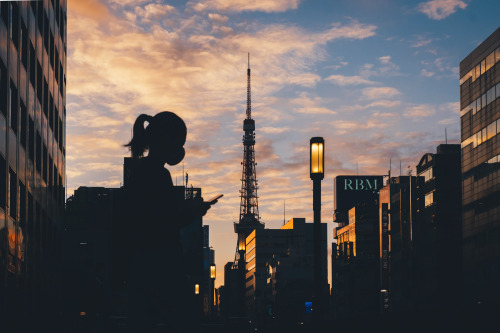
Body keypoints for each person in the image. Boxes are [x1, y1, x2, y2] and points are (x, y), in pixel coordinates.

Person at [122, 112, 216, 332]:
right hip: (161, 265)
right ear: (166, 140)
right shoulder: (156, 174)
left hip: (144, 265)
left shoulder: (143, 171)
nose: (180, 149)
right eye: (179, 143)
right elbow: (162, 222)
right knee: (184, 320)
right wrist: (193, 212)